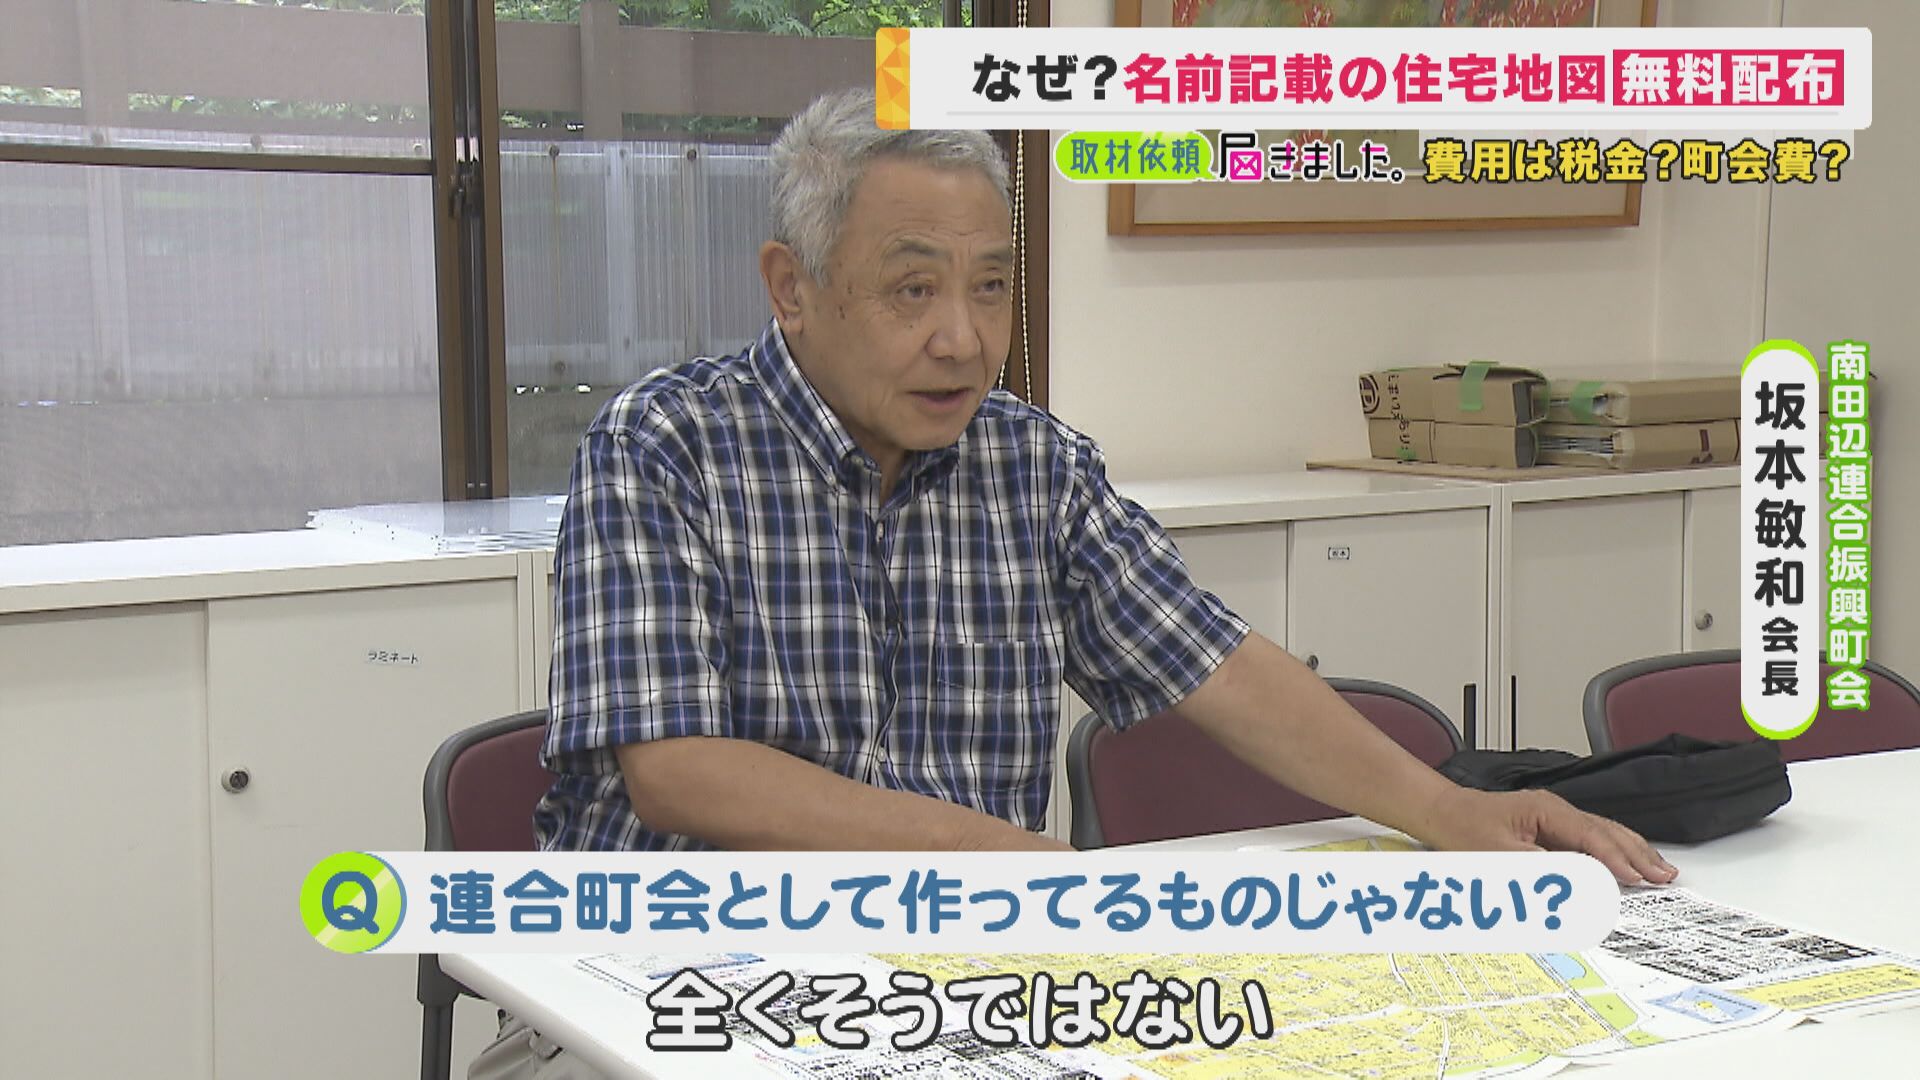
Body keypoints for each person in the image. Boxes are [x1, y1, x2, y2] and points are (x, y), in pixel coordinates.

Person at [471, 86, 1676, 1079]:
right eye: (912, 289)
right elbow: (679, 768)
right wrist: (989, 854)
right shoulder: (664, 445)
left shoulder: (1032, 464)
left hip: (956, 995)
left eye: (991, 286)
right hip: (663, 996)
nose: (962, 337)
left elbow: (1218, 666)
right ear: (792, 286)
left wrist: (1454, 811)